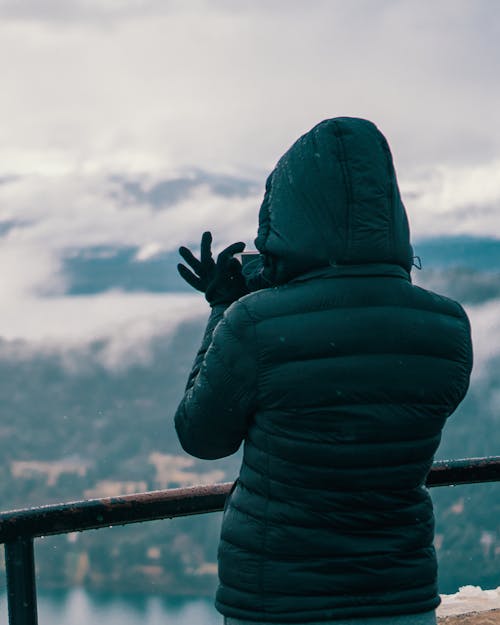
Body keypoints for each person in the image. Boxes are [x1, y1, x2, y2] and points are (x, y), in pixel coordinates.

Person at [174, 117, 473, 625]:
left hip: (282, 600)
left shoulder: (254, 324)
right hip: (401, 593)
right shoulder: (447, 324)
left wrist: (224, 307)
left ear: (283, 214)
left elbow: (201, 437)